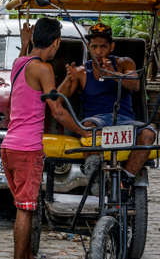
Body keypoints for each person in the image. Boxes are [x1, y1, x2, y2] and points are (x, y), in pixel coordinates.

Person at [1, 18, 89, 259]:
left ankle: (28, 258)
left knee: (25, 204)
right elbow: (57, 111)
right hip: (28, 149)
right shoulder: (44, 68)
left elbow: (48, 97)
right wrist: (83, 132)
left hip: (10, 146)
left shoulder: (21, 63)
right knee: (25, 208)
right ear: (56, 42)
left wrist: (25, 43)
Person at [60, 22, 155, 187]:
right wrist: (69, 78)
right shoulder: (82, 72)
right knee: (89, 126)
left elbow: (135, 85)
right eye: (94, 47)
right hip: (96, 121)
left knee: (148, 133)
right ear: (89, 47)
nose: (98, 51)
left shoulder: (125, 63)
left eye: (103, 47)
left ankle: (126, 178)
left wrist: (114, 74)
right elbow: (59, 98)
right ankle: (95, 175)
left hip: (124, 121)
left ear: (111, 46)